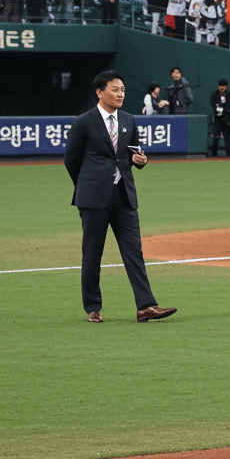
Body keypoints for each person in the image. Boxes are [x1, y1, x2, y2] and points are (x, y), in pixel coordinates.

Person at [62, 71, 178, 323]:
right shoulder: (84, 121)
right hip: (93, 198)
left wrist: (140, 161)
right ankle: (92, 307)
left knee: (134, 251)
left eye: (123, 89)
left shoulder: (128, 119)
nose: (120, 94)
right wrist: (86, 186)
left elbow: (131, 154)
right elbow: (71, 160)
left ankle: (146, 306)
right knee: (92, 254)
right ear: (99, 92)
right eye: (115, 89)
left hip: (124, 195)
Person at [208, 79, 230, 158]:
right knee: (216, 136)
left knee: (227, 137)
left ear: (226, 87)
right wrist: (217, 108)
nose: (222, 88)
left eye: (224, 86)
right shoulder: (215, 95)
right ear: (218, 86)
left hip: (227, 118)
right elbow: (212, 103)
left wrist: (225, 109)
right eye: (220, 86)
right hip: (217, 119)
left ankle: (229, 154)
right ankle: (214, 155)